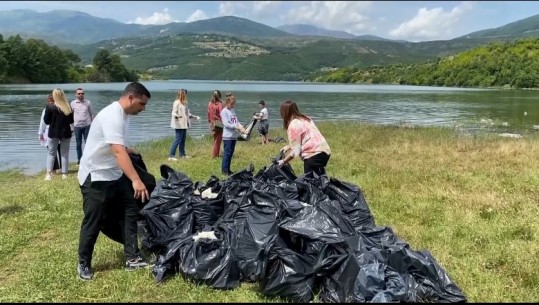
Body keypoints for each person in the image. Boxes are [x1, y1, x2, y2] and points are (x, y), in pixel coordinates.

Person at [76, 82, 152, 281]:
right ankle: (84, 262)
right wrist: (135, 179)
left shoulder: (124, 115)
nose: (143, 109)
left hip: (114, 174)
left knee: (131, 210)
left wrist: (130, 150)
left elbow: (117, 146)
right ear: (131, 98)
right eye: (142, 104)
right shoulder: (112, 115)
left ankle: (132, 257)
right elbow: (117, 151)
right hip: (96, 176)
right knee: (94, 220)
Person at [277, 100, 331, 176]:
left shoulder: (293, 125)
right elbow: (306, 138)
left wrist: (283, 161)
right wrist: (288, 147)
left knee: (310, 183)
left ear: (285, 112)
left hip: (313, 154)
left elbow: (296, 151)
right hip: (324, 152)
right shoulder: (305, 119)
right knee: (319, 179)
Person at [43, 88, 74, 181]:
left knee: (51, 153)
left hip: (53, 132)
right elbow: (71, 121)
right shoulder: (68, 106)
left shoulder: (50, 106)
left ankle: (49, 174)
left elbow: (46, 121)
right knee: (64, 153)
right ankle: (64, 174)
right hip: (66, 132)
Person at [169, 88, 200, 160]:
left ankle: (182, 154)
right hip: (179, 124)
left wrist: (194, 117)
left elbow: (187, 113)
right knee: (177, 139)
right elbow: (173, 112)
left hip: (184, 124)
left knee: (183, 139)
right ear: (182, 94)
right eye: (185, 94)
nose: (185, 95)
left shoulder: (184, 103)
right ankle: (171, 155)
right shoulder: (176, 102)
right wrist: (176, 115)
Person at [220, 95, 247, 175]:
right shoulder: (224, 112)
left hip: (233, 136)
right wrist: (237, 128)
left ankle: (228, 169)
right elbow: (226, 124)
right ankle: (224, 171)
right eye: (231, 104)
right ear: (227, 102)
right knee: (227, 153)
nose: (232, 105)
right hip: (227, 136)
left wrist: (242, 127)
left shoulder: (233, 110)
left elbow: (236, 121)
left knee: (231, 153)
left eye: (233, 104)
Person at [71, 87, 94, 166]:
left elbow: (91, 114)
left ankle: (88, 159)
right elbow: (70, 116)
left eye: (82, 93)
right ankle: (80, 160)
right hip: (77, 126)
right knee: (78, 144)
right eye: (79, 93)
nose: (81, 95)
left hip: (87, 126)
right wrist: (71, 127)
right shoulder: (73, 103)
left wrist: (92, 124)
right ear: (76, 95)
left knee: (88, 143)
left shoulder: (88, 102)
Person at [38, 94, 61, 173]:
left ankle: (54, 169)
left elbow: (43, 123)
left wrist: (40, 133)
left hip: (50, 132)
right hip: (60, 132)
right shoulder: (60, 108)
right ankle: (62, 168)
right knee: (60, 150)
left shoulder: (46, 110)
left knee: (51, 151)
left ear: (48, 101)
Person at [207, 90, 224, 159]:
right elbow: (221, 114)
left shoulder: (210, 103)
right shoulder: (219, 104)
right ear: (219, 96)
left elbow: (208, 113)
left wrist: (209, 121)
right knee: (218, 140)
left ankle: (216, 154)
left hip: (212, 123)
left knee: (215, 139)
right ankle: (214, 155)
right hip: (218, 123)